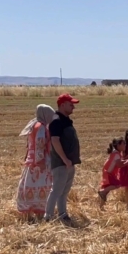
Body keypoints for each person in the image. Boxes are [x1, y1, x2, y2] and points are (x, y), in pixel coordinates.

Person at [45, 94, 81, 224]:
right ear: (62, 105)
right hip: (61, 163)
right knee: (56, 190)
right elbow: (55, 141)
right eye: (71, 104)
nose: (73, 107)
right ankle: (47, 216)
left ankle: (62, 214)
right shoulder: (57, 121)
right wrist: (65, 159)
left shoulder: (65, 120)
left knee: (64, 191)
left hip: (69, 162)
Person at [16, 104, 56, 219]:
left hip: (31, 160)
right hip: (40, 162)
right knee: (40, 185)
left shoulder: (33, 124)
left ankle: (29, 210)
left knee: (29, 183)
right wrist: (41, 162)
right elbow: (40, 144)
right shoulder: (41, 127)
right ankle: (39, 210)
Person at [98, 138, 128, 210]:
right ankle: (102, 192)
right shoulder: (116, 154)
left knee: (106, 191)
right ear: (118, 145)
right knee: (117, 184)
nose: (125, 145)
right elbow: (119, 165)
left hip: (107, 172)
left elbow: (118, 161)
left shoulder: (115, 153)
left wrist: (125, 160)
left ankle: (101, 207)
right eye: (123, 144)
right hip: (109, 173)